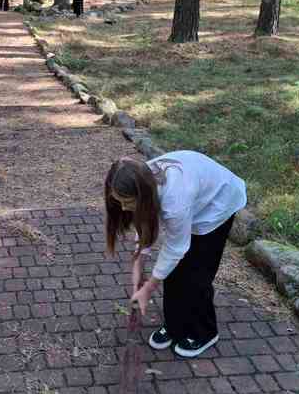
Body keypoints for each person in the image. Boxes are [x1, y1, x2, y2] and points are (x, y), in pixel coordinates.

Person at [105, 151, 247, 359]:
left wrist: (147, 288)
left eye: (127, 202)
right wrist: (138, 264)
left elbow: (175, 248)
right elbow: (144, 222)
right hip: (195, 194)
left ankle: (205, 331)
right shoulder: (140, 177)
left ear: (143, 196)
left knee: (197, 274)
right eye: (120, 201)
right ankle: (174, 326)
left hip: (218, 203)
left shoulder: (175, 200)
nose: (124, 208)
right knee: (173, 273)